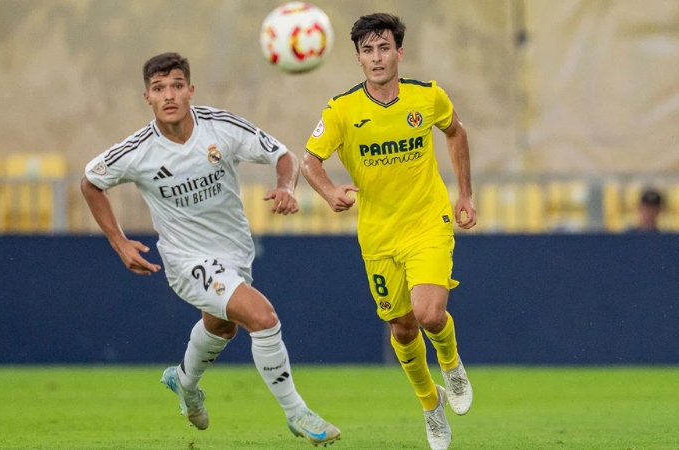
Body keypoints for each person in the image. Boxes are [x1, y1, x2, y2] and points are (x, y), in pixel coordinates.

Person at [80, 52, 340, 446]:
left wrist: (286, 187)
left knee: (222, 326)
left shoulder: (221, 127)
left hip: (234, 251)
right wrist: (118, 242)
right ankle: (296, 412)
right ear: (147, 97)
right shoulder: (138, 150)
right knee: (263, 317)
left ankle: (184, 382)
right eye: (158, 88)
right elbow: (90, 181)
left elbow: (282, 155)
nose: (168, 95)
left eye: (176, 86)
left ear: (190, 91)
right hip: (186, 259)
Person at [301, 13, 475, 450]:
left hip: (427, 222)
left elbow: (456, 132)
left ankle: (451, 365)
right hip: (378, 235)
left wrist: (465, 195)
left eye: (384, 48)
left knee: (430, 313)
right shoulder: (341, 110)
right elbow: (309, 161)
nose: (376, 58)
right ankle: (429, 403)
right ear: (358, 58)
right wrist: (328, 193)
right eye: (367, 50)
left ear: (399, 52)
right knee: (401, 327)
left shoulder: (426, 96)